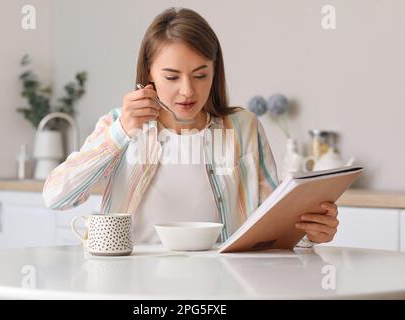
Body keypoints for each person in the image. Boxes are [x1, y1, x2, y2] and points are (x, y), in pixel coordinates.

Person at [43, 7, 339, 247]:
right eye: (172, 77)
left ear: (215, 70)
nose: (187, 91)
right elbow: (57, 197)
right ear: (149, 73)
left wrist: (309, 233)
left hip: (221, 283)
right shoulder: (119, 125)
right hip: (131, 281)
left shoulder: (242, 127)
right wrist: (122, 130)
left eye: (200, 75)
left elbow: (271, 225)